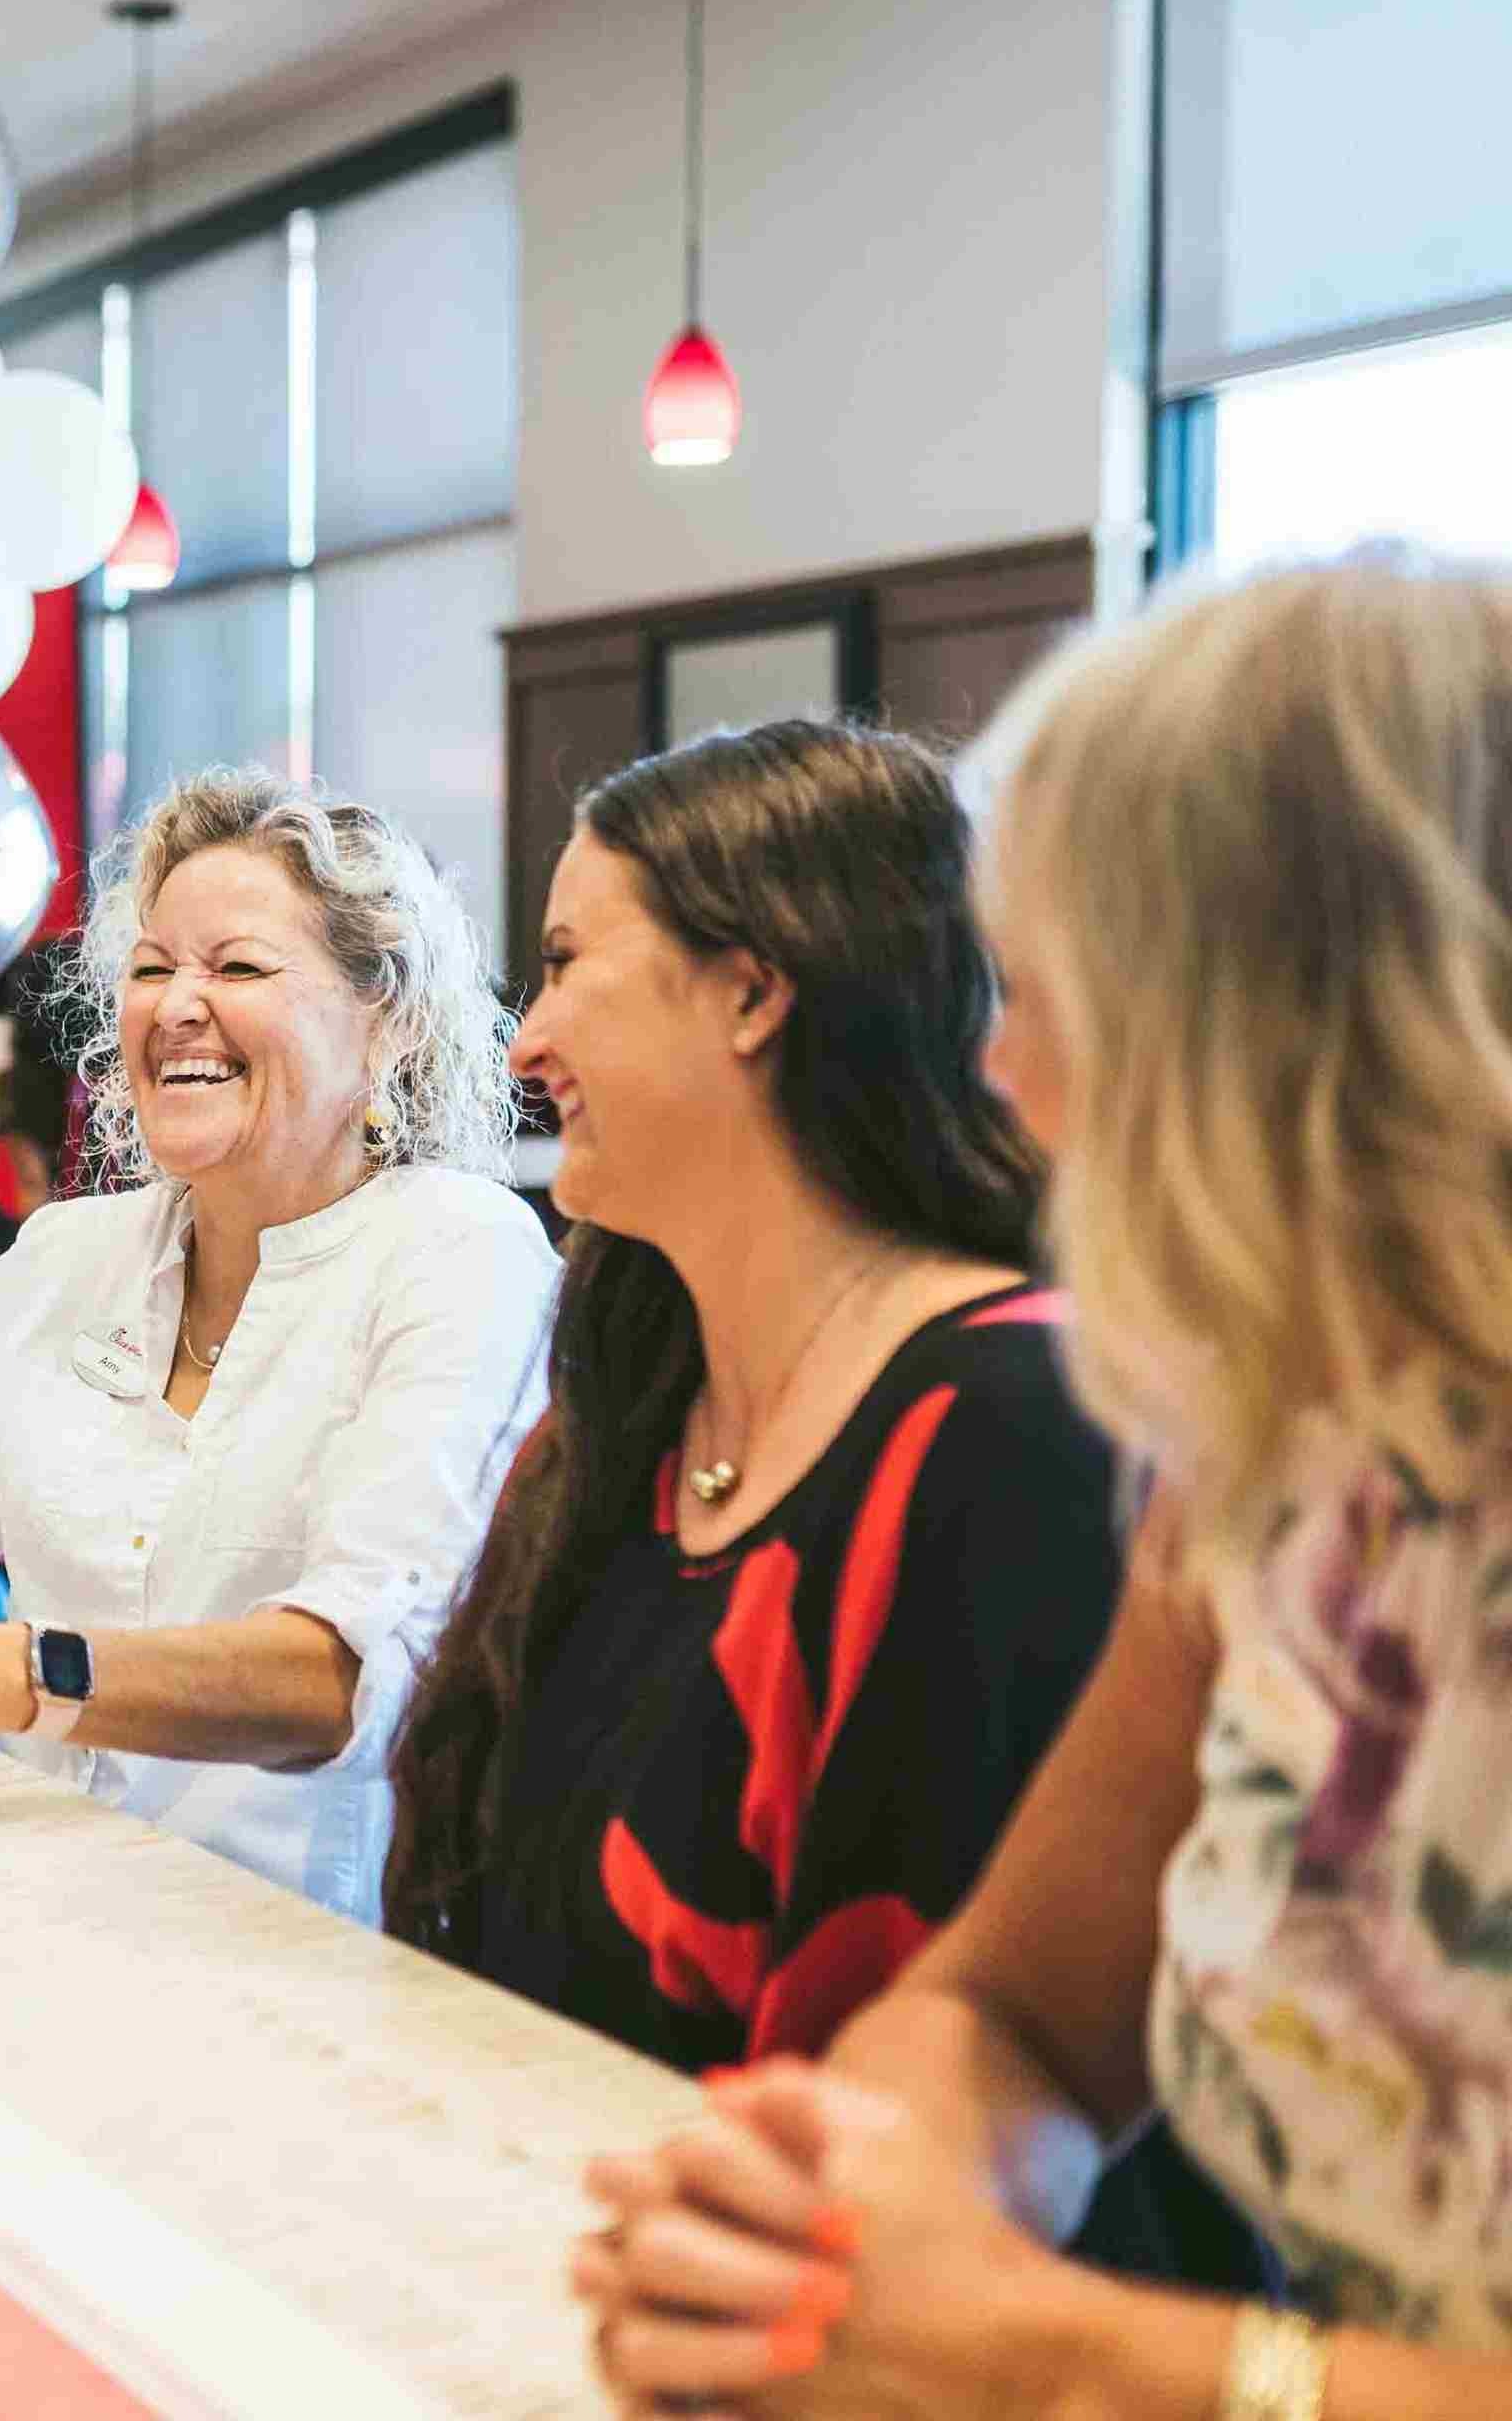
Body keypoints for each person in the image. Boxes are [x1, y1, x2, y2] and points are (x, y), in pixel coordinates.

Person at [573, 560, 1512, 2414]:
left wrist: (1041, 2344)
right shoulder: (1263, 1479)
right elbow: (1015, 2013)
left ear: (1302, 1032)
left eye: (1057, 990)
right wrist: (850, 2189)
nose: (1001, 1072)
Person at [383, 718, 1247, 2279]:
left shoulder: (1016, 1422)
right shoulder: (626, 1417)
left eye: (572, 960)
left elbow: (1020, 2070)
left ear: (752, 988)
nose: (524, 1040)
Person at [0, 769, 558, 1920]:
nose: (175, 1006)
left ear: (384, 1022)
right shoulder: (69, 1259)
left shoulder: (460, 1253)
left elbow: (347, 1678)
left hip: (312, 1968)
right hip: (36, 1929)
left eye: (236, 968)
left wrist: (0, 1673)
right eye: (150, 970)